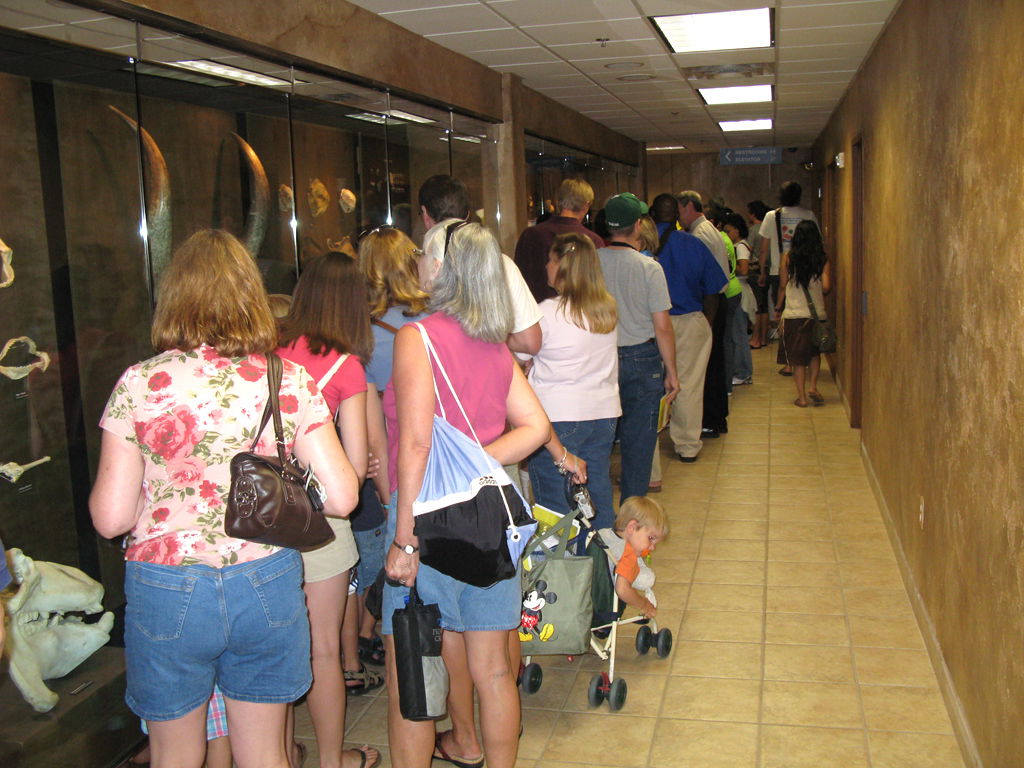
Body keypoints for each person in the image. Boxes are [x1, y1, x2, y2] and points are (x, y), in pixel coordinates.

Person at [89, 229, 359, 768]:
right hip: (264, 577)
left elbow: (111, 516)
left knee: (175, 757)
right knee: (264, 755)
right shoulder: (286, 379)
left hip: (165, 584)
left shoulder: (140, 383)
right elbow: (343, 496)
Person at [381, 222, 559, 768]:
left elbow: (414, 444)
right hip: (488, 522)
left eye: (423, 257)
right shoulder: (493, 342)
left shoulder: (419, 338)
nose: (417, 266)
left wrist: (405, 542)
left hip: (427, 520)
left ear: (441, 268)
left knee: (410, 674)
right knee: (494, 672)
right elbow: (535, 426)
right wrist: (478, 461)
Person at [276, 251, 382, 768]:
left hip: (263, 520)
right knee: (322, 650)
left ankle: (280, 750)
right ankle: (331, 758)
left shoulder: (266, 352)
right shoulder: (348, 366)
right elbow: (357, 468)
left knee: (274, 648)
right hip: (320, 518)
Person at [356, 226, 431, 667]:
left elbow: (375, 433)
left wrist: (389, 501)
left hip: (400, 466)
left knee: (398, 570)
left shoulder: (363, 336)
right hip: (447, 463)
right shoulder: (436, 319)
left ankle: (395, 653)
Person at [527, 232, 619, 529]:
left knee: (557, 504)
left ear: (563, 267)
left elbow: (516, 355)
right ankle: (606, 562)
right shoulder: (606, 309)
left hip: (558, 420)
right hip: (603, 414)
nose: (546, 267)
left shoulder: (547, 313)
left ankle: (564, 569)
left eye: (551, 260)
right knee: (597, 492)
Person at [598, 193, 679, 502]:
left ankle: (600, 520)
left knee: (601, 444)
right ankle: (631, 518)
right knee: (639, 445)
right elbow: (662, 326)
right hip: (642, 360)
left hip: (600, 359)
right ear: (637, 226)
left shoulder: (592, 261)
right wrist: (671, 370)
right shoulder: (650, 268)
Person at [418, 174, 542, 356]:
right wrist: (493, 337)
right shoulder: (501, 263)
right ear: (468, 214)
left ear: (425, 214)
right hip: (495, 374)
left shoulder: (423, 270)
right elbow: (530, 342)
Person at [657, 228, 728, 463]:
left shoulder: (642, 242)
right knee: (689, 384)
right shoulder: (693, 244)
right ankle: (687, 445)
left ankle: (648, 445)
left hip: (651, 322)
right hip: (689, 318)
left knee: (649, 386)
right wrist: (705, 322)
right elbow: (713, 289)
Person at [676, 190, 730, 437]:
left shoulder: (700, 235)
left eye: (679, 211)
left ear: (688, 207)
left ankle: (710, 419)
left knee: (705, 369)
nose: (678, 218)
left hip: (711, 303)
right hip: (716, 300)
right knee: (713, 363)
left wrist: (705, 319)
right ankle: (716, 418)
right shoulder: (708, 229)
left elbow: (703, 279)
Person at [758, 182, 818, 374]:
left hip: (779, 271)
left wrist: (761, 270)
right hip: (807, 271)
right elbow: (818, 242)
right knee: (807, 317)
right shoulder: (808, 215)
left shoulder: (772, 216)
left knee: (785, 317)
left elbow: (764, 247)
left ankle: (790, 361)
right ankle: (804, 357)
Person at [513, 177, 604, 303]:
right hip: (577, 314)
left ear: (558, 201)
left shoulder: (529, 235)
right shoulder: (591, 241)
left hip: (531, 314)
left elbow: (517, 279)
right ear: (586, 205)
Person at [776, 220, 831, 408]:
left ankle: (801, 398)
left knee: (798, 359)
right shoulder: (821, 258)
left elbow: (783, 284)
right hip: (817, 314)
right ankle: (813, 386)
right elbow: (826, 287)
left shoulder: (788, 257)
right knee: (814, 353)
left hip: (795, 314)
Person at [597, 496, 669, 620]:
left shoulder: (601, 534)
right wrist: (644, 604)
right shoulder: (627, 553)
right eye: (651, 538)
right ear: (632, 527)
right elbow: (622, 589)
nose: (651, 548)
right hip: (599, 609)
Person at [723, 213, 754, 387]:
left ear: (736, 230)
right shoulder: (736, 245)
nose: (726, 234)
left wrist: (730, 269)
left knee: (739, 334)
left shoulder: (740, 247)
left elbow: (744, 269)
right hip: (740, 290)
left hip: (739, 290)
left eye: (728, 231)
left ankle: (743, 372)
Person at [745, 201, 770, 349]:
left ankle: (755, 339)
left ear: (753, 213)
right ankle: (764, 338)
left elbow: (749, 250)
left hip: (756, 269)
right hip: (768, 269)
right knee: (765, 306)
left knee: (757, 307)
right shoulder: (769, 228)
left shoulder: (754, 230)